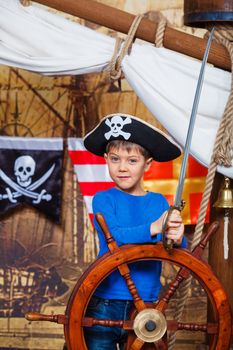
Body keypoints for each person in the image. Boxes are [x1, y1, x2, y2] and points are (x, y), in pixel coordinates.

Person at [83, 113, 187, 350]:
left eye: (132, 160)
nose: (121, 167)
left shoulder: (160, 202)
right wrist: (155, 227)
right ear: (106, 160)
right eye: (114, 159)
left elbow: (179, 249)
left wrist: (177, 236)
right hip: (104, 301)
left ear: (147, 164)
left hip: (148, 303)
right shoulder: (103, 200)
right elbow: (117, 237)